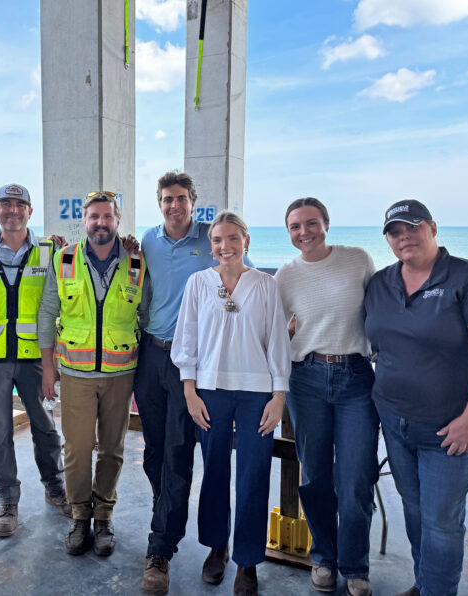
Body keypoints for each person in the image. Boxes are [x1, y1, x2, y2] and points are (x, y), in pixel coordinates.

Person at [364, 199, 468, 596]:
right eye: (395, 232)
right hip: (395, 422)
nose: (404, 238)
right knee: (414, 512)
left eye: (412, 228)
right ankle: (425, 583)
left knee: (442, 522)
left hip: (450, 426)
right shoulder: (381, 283)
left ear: (433, 228)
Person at [135, 171, 253, 594]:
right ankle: (166, 508)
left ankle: (162, 547)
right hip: (150, 354)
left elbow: (251, 282)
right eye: (167, 199)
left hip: (196, 365)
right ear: (159, 203)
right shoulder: (147, 241)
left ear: (193, 201)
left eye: (182, 198)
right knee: (154, 451)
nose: (174, 205)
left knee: (178, 451)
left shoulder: (213, 239)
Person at [171, 211, 291, 596]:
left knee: (254, 476)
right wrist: (190, 389)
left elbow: (277, 341)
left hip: (257, 394)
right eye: (219, 240)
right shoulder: (198, 283)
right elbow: (186, 338)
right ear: (212, 246)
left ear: (246, 241)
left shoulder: (266, 285)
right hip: (210, 391)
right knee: (215, 470)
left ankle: (248, 561)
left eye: (233, 238)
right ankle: (217, 547)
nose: (226, 246)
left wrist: (278, 396)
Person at [274, 198, 378, 596]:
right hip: (307, 379)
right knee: (315, 474)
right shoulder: (285, 275)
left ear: (326, 224)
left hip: (355, 377)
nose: (304, 232)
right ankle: (323, 557)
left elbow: (381, 313)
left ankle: (355, 565)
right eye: (295, 227)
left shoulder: (358, 260)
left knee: (355, 477)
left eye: (311, 223)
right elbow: (273, 330)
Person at [37, 191, 145, 558]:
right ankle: (80, 516)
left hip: (120, 374)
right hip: (76, 374)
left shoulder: (136, 262)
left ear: (117, 220)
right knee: (78, 450)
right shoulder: (63, 258)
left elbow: (144, 315)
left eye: (107, 217)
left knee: (112, 449)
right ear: (85, 221)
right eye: (94, 217)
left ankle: (103, 518)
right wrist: (48, 367)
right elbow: (47, 312)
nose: (101, 223)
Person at [0, 183, 69, 539]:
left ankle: (55, 486)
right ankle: (8, 500)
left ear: (30, 211)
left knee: (44, 426)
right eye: (6, 205)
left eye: (20, 205)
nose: (13, 211)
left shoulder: (49, 251)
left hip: (35, 358)